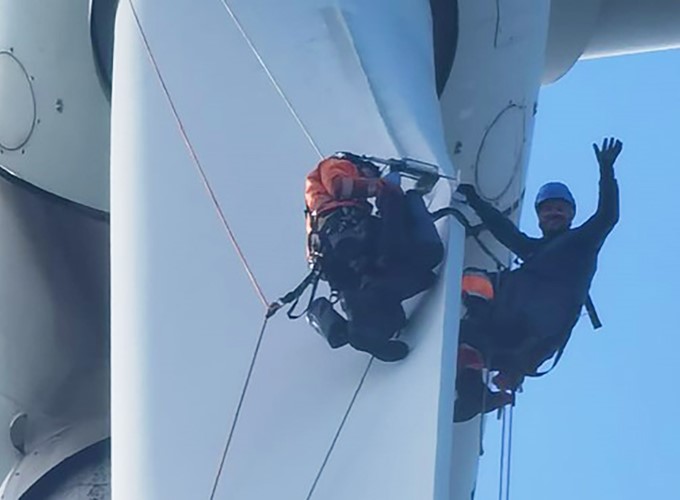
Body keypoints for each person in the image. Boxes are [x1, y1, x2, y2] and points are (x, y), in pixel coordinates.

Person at [456, 137, 622, 390]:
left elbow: (607, 216)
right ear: (539, 218)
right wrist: (475, 200)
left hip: (533, 332)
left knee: (492, 292)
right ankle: (470, 387)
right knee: (472, 288)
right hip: (508, 326)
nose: (554, 213)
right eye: (547, 210)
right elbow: (503, 230)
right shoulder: (533, 250)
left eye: (560, 209)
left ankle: (498, 369)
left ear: (571, 215)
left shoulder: (581, 243)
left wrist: (606, 172)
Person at [304, 152, 443, 362]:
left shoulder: (316, 211)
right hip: (348, 232)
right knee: (396, 209)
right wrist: (381, 185)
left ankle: (356, 331)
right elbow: (340, 186)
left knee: (396, 292)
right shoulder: (336, 164)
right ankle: (392, 257)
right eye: (371, 172)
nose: (371, 176)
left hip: (334, 254)